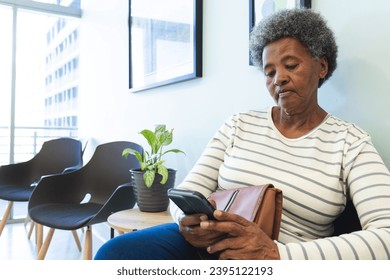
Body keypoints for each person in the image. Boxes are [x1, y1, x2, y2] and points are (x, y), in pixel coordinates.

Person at [95, 8, 390, 260]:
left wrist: (277, 254)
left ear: (322, 66)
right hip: (208, 246)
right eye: (269, 71)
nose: (279, 79)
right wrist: (186, 221)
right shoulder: (240, 124)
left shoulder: (350, 142)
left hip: (285, 258)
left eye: (291, 65)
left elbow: (386, 236)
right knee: (114, 255)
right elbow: (185, 192)